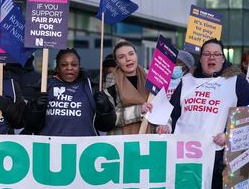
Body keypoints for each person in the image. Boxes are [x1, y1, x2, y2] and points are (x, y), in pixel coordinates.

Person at [158, 38, 249, 189]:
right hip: (185, 154)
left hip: (218, 156)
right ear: (201, 59)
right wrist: (166, 126)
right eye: (206, 54)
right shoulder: (186, 81)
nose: (211, 57)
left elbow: (245, 116)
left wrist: (229, 136)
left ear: (223, 58)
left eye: (216, 54)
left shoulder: (237, 82)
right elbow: (171, 112)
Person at [24, 48, 115, 136]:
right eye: (64, 64)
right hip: (51, 149)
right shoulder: (45, 86)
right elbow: (31, 126)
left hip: (83, 148)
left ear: (79, 67)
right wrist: (35, 108)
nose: (69, 68)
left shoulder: (91, 86)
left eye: (74, 64)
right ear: (57, 68)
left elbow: (106, 126)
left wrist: (105, 108)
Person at [103, 41, 153, 135]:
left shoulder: (150, 76)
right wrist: (138, 110)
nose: (128, 59)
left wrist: (165, 126)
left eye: (131, 54)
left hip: (148, 137)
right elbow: (110, 117)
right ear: (117, 62)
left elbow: (161, 108)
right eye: (122, 57)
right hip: (121, 139)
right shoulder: (111, 79)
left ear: (136, 55)